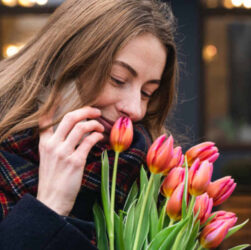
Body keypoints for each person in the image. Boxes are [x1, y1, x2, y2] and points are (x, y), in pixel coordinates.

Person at [0, 0, 177, 249]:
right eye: (118, 79)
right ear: (62, 63)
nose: (135, 109)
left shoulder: (150, 184)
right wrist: (49, 207)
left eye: (147, 93)